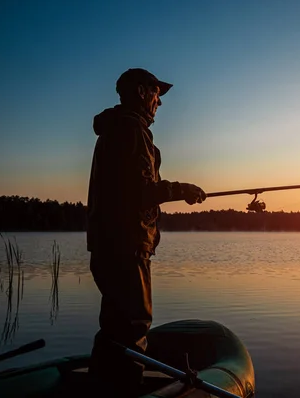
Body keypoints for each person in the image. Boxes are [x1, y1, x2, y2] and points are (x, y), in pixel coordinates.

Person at [86, 68, 206, 395]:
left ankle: (99, 388)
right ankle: (127, 389)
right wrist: (183, 189)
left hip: (107, 246)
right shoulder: (131, 129)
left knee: (113, 328)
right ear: (141, 92)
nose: (159, 102)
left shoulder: (112, 129)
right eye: (156, 93)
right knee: (135, 326)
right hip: (128, 247)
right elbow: (141, 191)